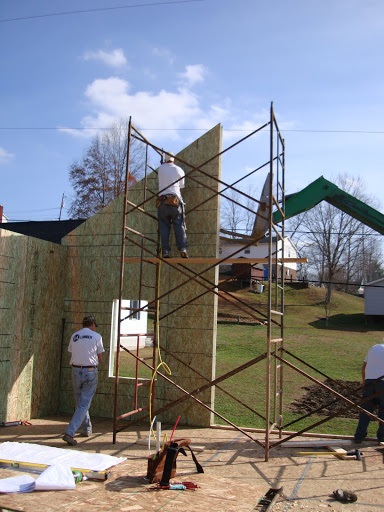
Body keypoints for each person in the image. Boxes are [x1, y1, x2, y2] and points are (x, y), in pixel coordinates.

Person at [62, 315, 104, 446]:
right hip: (90, 371)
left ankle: (86, 428)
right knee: (84, 404)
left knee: (80, 402)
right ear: (92, 325)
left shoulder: (75, 336)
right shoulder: (97, 336)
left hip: (75, 370)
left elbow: (72, 352)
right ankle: (70, 432)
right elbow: (100, 357)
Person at [157, 152, 188, 258]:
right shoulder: (179, 170)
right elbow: (180, 188)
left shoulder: (160, 169)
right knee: (179, 224)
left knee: (164, 227)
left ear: (165, 159)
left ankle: (165, 251)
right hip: (175, 201)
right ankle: (182, 248)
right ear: (174, 159)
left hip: (162, 202)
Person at [354, 341, 384, 444]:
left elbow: (363, 368)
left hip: (369, 383)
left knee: (365, 411)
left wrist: (364, 383)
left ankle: (359, 436)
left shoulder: (374, 347)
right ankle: (382, 438)